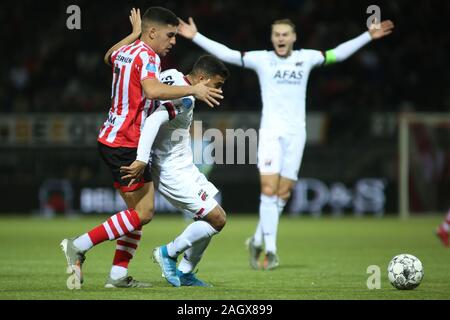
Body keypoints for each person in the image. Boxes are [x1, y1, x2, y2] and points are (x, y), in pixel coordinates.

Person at [177, 16, 394, 270]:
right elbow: (229, 54)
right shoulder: (263, 59)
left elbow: (337, 54)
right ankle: (271, 251)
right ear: (272, 38)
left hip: (296, 134)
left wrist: (367, 35)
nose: (281, 38)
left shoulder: (307, 57)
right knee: (269, 190)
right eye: (277, 34)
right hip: (270, 132)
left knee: (283, 193)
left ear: (293, 38)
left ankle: (257, 240)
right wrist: (196, 36)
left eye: (285, 34)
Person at [60, 7, 223, 289]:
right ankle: (79, 245)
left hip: (110, 135)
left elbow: (108, 56)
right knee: (144, 213)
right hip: (126, 139)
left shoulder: (129, 50)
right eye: (170, 35)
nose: (173, 42)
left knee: (137, 214)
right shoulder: (148, 56)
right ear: (152, 32)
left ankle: (117, 276)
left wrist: (132, 35)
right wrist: (192, 90)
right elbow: (152, 91)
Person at [120, 55, 229, 286]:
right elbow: (153, 121)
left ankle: (186, 273)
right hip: (172, 170)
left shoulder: (171, 75)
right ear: (202, 79)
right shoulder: (186, 97)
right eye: (217, 85)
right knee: (217, 219)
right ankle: (168, 252)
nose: (219, 91)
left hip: (183, 165)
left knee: (209, 217)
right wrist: (141, 159)